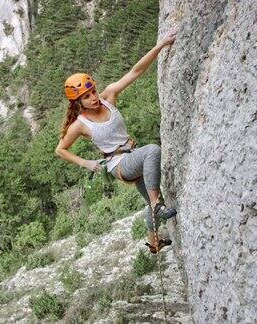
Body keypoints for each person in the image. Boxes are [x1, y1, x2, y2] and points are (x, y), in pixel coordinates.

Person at [55, 30, 178, 254]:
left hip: (132, 153)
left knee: (150, 199)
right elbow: (61, 150)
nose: (93, 98)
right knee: (152, 151)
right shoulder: (80, 124)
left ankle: (154, 243)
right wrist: (86, 163)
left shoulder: (109, 96)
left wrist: (160, 45)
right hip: (118, 164)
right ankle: (158, 206)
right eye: (87, 97)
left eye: (92, 92)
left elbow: (136, 71)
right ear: (77, 103)